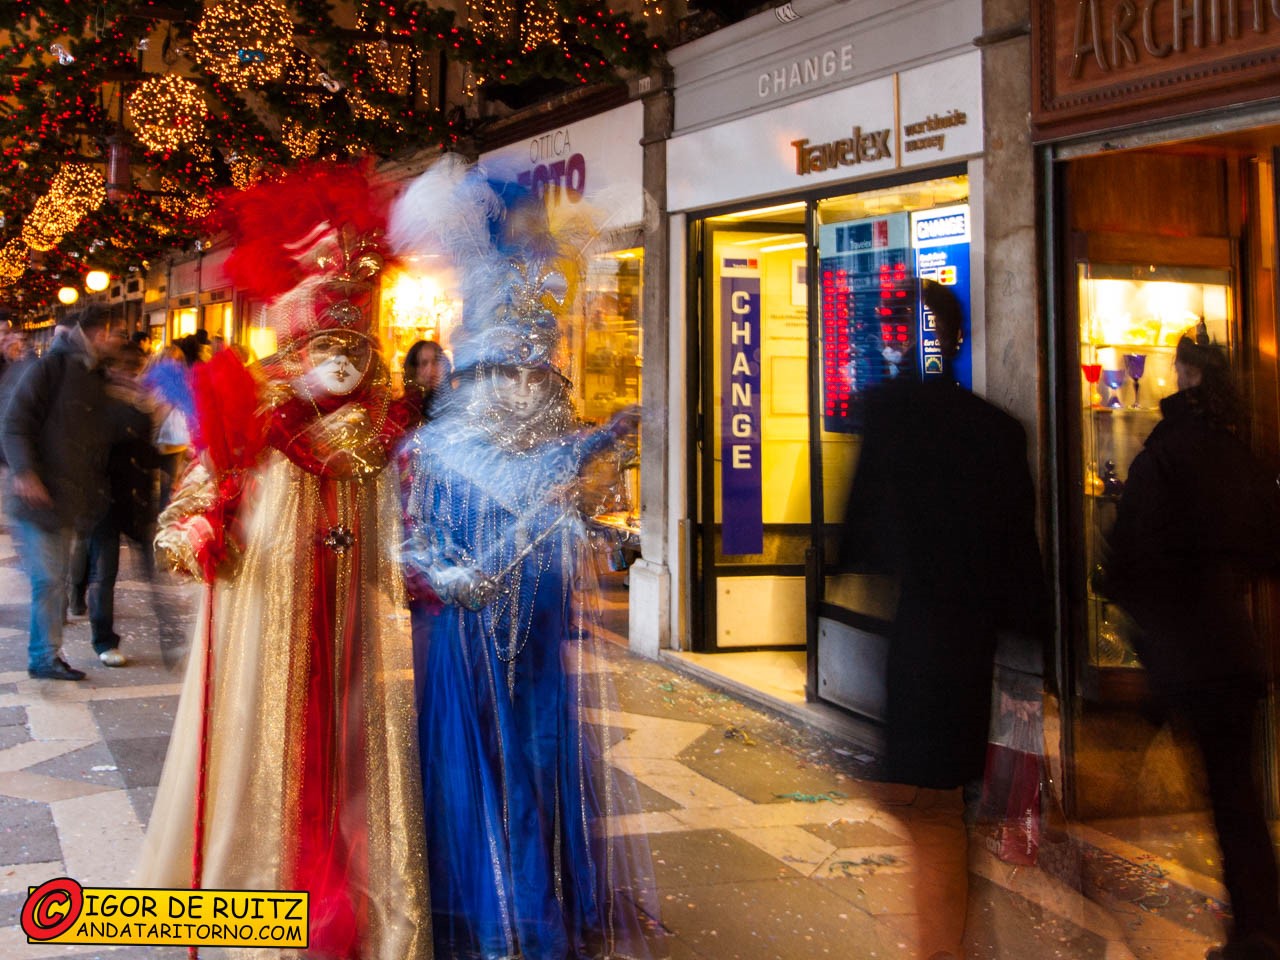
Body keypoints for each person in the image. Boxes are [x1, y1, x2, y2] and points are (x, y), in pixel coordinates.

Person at [135, 163, 429, 960]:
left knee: (350, 756)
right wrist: (193, 532)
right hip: (267, 614)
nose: (341, 362)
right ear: (298, 345)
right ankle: (257, 885)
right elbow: (200, 490)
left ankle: (354, 892)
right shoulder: (258, 415)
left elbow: (412, 518)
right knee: (267, 745)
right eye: (325, 345)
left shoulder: (378, 436)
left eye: (354, 347)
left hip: (352, 626)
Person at [395, 161, 661, 960]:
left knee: (542, 761)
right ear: (475, 374)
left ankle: (537, 901)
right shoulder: (435, 447)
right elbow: (411, 541)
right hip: (470, 638)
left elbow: (559, 503)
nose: (524, 388)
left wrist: (604, 530)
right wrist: (446, 574)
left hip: (540, 627)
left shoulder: (553, 434)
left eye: (535, 374)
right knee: (488, 767)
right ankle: (497, 913)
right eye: (508, 374)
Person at [839, 280, 1047, 960]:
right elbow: (1022, 559)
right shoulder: (998, 431)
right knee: (941, 802)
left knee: (926, 810)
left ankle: (945, 945)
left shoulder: (890, 415)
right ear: (961, 340)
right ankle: (952, 936)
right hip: (970, 641)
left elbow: (861, 536)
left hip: (916, 636)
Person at [1104, 322, 1280, 960]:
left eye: (1179, 367)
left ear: (1189, 374)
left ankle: (1103, 901)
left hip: (1180, 653)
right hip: (1234, 649)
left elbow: (1129, 556)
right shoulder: (1239, 452)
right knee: (1238, 800)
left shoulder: (1166, 452)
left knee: (1128, 776)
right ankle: (1258, 928)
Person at [1, 306, 124, 680]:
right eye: (117, 332)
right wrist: (25, 472)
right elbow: (15, 424)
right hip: (39, 497)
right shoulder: (49, 368)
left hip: (70, 497)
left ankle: (46, 654)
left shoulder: (95, 374)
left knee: (55, 579)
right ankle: (43, 657)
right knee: (49, 580)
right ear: (98, 333)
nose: (120, 340)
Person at [68, 341, 163, 667]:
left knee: (151, 573)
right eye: (126, 370)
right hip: (101, 501)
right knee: (104, 572)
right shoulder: (96, 404)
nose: (132, 376)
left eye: (135, 370)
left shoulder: (139, 405)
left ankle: (169, 641)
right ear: (111, 371)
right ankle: (103, 641)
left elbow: (147, 455)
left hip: (133, 501)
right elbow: (95, 450)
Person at [403, 338, 451, 420]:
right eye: (424, 363)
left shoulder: (453, 400)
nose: (431, 369)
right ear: (413, 370)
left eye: (436, 361)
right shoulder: (406, 411)